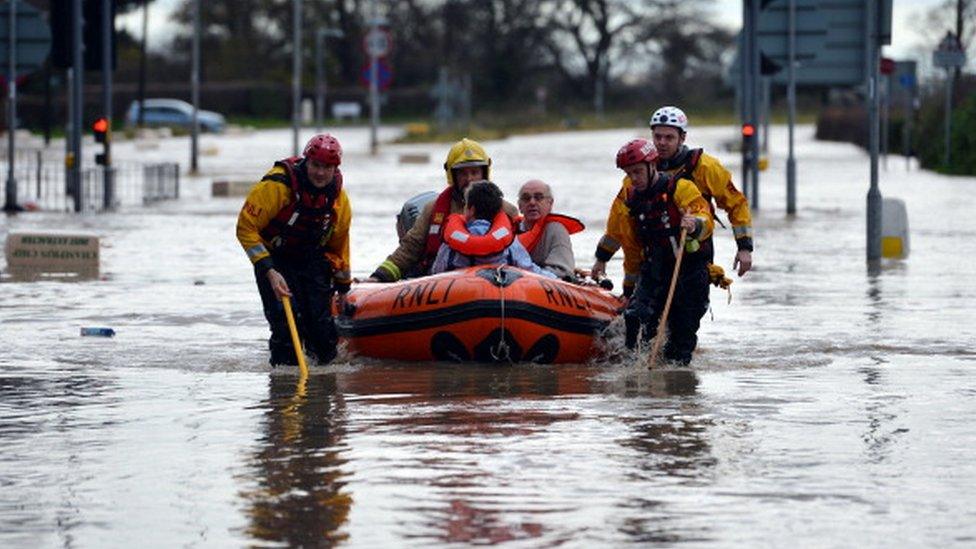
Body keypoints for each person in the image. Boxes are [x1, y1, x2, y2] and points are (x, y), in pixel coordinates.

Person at [591, 139, 713, 364]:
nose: (634, 179)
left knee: (680, 337)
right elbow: (628, 243)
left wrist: (695, 223)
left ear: (652, 165)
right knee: (635, 319)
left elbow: (703, 213)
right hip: (654, 270)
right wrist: (624, 284)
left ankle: (676, 386)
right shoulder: (630, 200)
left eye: (637, 172)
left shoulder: (680, 188)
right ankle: (636, 371)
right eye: (629, 174)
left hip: (687, 272)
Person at [236, 133, 351, 366]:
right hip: (274, 259)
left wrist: (342, 288)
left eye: (327, 167)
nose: (320, 173)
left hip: (312, 259)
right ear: (306, 161)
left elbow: (340, 243)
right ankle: (283, 387)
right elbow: (245, 227)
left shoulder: (339, 200)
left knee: (323, 334)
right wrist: (269, 271)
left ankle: (322, 393)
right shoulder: (278, 186)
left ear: (335, 169)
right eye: (316, 165)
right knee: (286, 328)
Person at [370, 138, 518, 282]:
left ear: (484, 173)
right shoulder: (434, 209)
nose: (470, 179)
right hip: (442, 282)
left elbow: (520, 252)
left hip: (496, 279)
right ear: (453, 175)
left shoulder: (507, 210)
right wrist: (379, 276)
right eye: (463, 173)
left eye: (474, 172)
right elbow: (410, 248)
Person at [647, 105, 753, 276]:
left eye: (669, 137)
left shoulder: (705, 167)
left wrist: (744, 248)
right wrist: (603, 257)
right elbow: (622, 213)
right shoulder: (645, 167)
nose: (662, 143)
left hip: (694, 253)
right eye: (657, 137)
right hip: (654, 254)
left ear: (682, 138)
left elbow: (736, 204)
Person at [431, 180, 557, 278]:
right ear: (498, 211)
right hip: (502, 292)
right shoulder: (510, 242)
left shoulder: (450, 243)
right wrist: (558, 280)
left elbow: (437, 272)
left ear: (471, 209)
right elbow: (530, 269)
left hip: (457, 296)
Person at [514, 179, 583, 281]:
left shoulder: (556, 230)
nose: (532, 202)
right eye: (526, 198)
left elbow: (562, 272)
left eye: (538, 197)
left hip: (543, 287)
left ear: (550, 203)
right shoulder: (509, 230)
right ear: (519, 206)